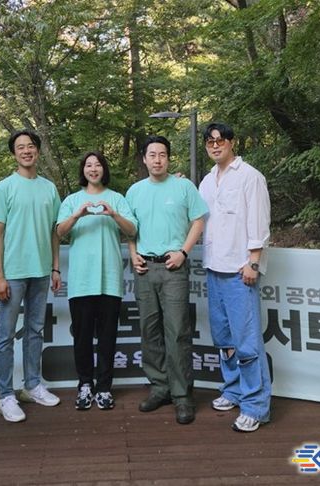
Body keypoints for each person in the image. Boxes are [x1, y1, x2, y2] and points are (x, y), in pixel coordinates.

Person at [126, 135, 208, 425]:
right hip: (145, 269)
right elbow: (130, 229)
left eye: (162, 154)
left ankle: (182, 395)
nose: (157, 159)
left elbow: (199, 220)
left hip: (174, 268)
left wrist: (184, 252)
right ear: (144, 159)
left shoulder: (184, 187)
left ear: (169, 158)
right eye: (152, 154)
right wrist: (133, 254)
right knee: (149, 330)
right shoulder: (134, 191)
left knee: (177, 331)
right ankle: (159, 387)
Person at [0, 129, 62, 423]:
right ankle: (6, 396)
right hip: (13, 273)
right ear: (14, 153)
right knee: (5, 335)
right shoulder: (4, 187)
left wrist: (55, 267)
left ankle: (32, 385)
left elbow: (55, 232)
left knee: (35, 331)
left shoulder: (49, 188)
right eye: (20, 147)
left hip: (41, 271)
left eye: (31, 146)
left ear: (38, 151)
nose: (26, 151)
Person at [198, 122, 272, 433]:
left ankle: (255, 405)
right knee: (224, 338)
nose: (215, 145)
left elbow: (260, 222)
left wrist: (253, 262)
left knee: (247, 341)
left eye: (221, 140)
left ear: (232, 142)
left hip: (240, 271)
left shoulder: (250, 176)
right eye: (210, 141)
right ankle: (233, 390)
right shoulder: (206, 181)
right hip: (214, 268)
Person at [56, 152, 137, 411]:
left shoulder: (117, 199)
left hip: (110, 281)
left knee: (107, 337)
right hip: (81, 281)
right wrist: (76, 215)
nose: (93, 169)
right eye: (89, 165)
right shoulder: (71, 200)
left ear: (104, 169)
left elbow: (132, 230)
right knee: (81, 337)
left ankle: (104, 388)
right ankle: (84, 384)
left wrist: (114, 214)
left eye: (98, 164)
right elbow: (59, 232)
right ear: (83, 170)